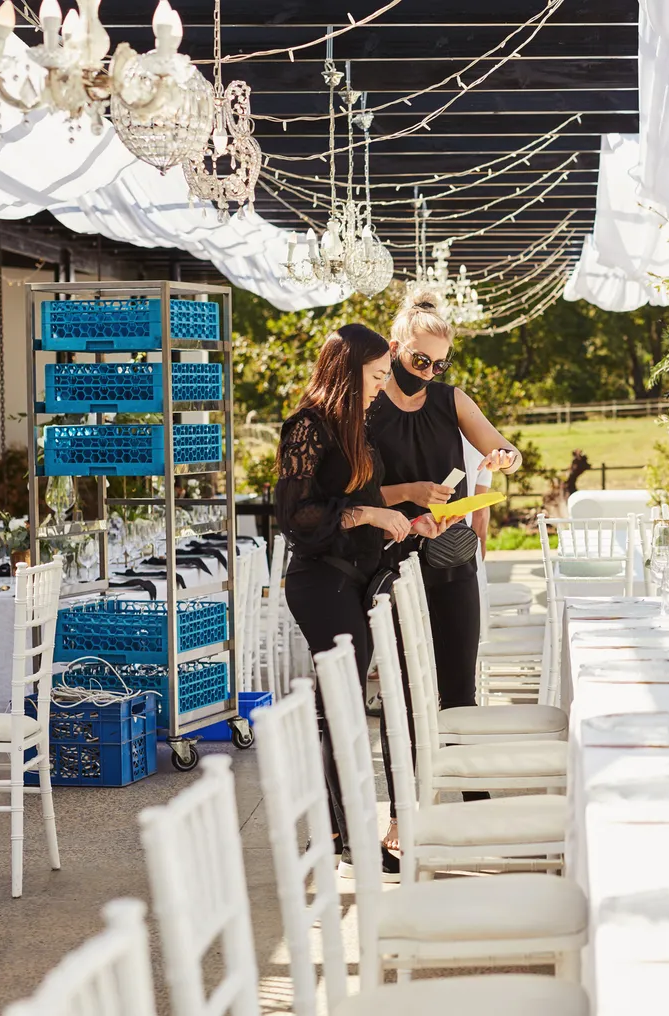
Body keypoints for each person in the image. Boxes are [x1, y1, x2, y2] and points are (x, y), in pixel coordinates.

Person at [274, 323, 447, 873]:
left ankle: (336, 833)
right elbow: (298, 518)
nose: (380, 386)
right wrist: (373, 513)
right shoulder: (306, 426)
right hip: (320, 581)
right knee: (344, 710)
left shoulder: (355, 427)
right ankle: (350, 836)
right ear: (346, 373)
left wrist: (410, 523)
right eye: (374, 376)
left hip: (353, 578)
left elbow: (365, 504)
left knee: (341, 711)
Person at [367, 291, 521, 849]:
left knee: (458, 690)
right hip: (386, 561)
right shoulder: (367, 402)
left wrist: (502, 459)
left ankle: (472, 807)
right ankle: (402, 819)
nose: (428, 372)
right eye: (418, 361)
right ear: (395, 348)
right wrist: (407, 493)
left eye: (439, 363)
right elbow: (350, 493)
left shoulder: (450, 399)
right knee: (403, 695)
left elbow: (503, 449)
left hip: (449, 556)